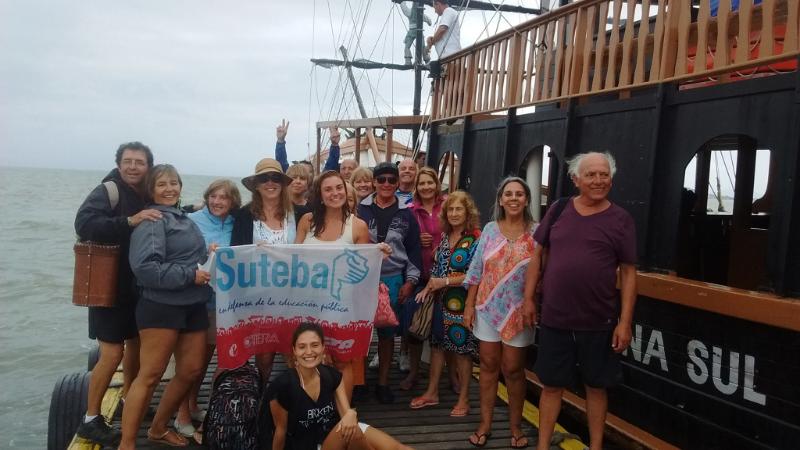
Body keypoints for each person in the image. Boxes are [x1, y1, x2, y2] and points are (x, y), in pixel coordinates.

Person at [524, 152, 637, 450]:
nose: (599, 180)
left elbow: (628, 273)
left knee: (596, 387)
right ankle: (542, 446)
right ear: (576, 179)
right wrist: (529, 299)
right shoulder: (559, 209)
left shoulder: (621, 220)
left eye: (604, 175)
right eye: (591, 174)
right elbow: (537, 256)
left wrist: (625, 322)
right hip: (555, 318)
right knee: (551, 385)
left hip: (599, 320)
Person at [120, 164, 212, 449]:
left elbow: (188, 257)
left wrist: (209, 256)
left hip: (193, 304)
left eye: (174, 183)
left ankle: (158, 428)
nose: (169, 189)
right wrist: (190, 275)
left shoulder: (182, 218)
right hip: (161, 306)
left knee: (191, 370)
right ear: (151, 190)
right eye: (162, 184)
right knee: (150, 375)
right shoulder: (153, 220)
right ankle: (126, 443)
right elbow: (146, 269)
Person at [74, 141, 159, 447]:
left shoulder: (146, 194)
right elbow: (84, 223)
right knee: (112, 354)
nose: (133, 167)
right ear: (119, 163)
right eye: (128, 161)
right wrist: (128, 221)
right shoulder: (107, 191)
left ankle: (128, 400)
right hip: (108, 286)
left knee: (135, 345)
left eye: (139, 162)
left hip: (137, 287)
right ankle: (90, 419)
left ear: (148, 166)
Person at [463, 177, 537, 449]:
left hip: (519, 310)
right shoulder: (490, 229)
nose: (514, 198)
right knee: (488, 365)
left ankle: (515, 427)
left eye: (519, 194)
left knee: (514, 369)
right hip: (487, 306)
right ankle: (485, 424)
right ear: (501, 200)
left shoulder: (537, 232)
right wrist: (469, 305)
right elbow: (476, 269)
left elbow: (543, 270)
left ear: (526, 200)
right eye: (509, 194)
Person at [294, 170, 376, 401]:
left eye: (339, 187)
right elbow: (292, 258)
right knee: (309, 359)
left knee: (342, 361)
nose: (335, 193)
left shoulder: (358, 226)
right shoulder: (306, 221)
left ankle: (343, 414)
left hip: (342, 307)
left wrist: (379, 253)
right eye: (328, 189)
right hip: (308, 304)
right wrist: (266, 251)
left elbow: (363, 272)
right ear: (319, 195)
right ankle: (311, 411)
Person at [269, 323, 412, 450]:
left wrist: (351, 414)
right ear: (294, 350)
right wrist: (350, 417)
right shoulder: (282, 386)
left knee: (401, 448)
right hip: (308, 444)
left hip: (335, 433)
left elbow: (346, 412)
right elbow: (280, 433)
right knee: (352, 431)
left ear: (323, 348)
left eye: (315, 345)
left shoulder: (331, 376)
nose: (309, 352)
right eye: (302, 347)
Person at [172, 179, 240, 442]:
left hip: (223, 302)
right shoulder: (192, 220)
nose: (217, 201)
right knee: (191, 362)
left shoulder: (235, 223)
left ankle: (192, 406)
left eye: (224, 197)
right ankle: (181, 416)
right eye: (213, 196)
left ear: (233, 201)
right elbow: (180, 254)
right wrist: (204, 251)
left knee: (206, 358)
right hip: (196, 301)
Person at [231, 158, 303, 384]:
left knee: (297, 349)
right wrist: (252, 252)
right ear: (256, 185)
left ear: (282, 183)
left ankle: (299, 397)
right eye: (264, 178)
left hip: (296, 294)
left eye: (275, 178)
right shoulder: (244, 215)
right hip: (259, 296)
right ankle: (261, 394)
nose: (270, 183)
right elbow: (235, 253)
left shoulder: (300, 213)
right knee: (264, 354)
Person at [410, 191, 481, 418]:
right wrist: (429, 287)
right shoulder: (445, 236)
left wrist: (446, 281)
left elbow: (476, 274)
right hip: (441, 302)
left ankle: (464, 399)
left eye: (459, 209)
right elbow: (437, 268)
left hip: (462, 303)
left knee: (462, 351)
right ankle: (432, 392)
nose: (454, 213)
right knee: (437, 346)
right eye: (450, 209)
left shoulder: (476, 238)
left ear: (468, 212)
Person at [358, 162, 423, 404]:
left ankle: (383, 383)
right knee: (360, 331)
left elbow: (414, 249)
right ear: (374, 182)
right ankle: (359, 381)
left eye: (391, 180)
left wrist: (411, 282)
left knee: (387, 335)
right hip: (361, 278)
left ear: (397, 184)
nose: (386, 184)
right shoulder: (359, 209)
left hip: (393, 278)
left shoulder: (407, 213)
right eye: (381, 179)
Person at [399, 167, 446, 391]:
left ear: (436, 185)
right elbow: (401, 241)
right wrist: (416, 239)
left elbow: (461, 233)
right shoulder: (409, 211)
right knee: (415, 326)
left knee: (442, 328)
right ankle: (414, 372)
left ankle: (450, 376)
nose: (426, 187)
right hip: (419, 275)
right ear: (416, 187)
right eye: (422, 183)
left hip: (444, 275)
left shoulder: (447, 206)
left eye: (430, 182)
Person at [275, 119, 341, 175]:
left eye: (309, 172)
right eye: (301, 172)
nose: (305, 175)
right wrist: (280, 141)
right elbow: (282, 164)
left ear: (314, 174)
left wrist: (334, 144)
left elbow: (330, 167)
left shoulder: (319, 186)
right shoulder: (290, 184)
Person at [399, 1, 433, 65]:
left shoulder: (413, 13)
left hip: (414, 31)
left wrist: (402, 2)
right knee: (412, 47)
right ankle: (410, 61)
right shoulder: (417, 13)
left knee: (416, 47)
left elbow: (404, 8)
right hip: (414, 32)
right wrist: (402, 2)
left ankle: (424, 61)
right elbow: (428, 20)